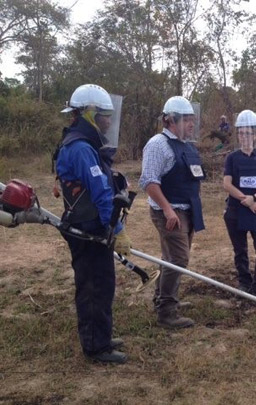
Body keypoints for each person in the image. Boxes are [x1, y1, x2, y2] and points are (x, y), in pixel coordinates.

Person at [55, 84, 132, 364]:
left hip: (95, 227)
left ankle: (102, 335)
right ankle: (95, 347)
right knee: (91, 287)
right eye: (105, 115)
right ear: (89, 115)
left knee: (104, 283)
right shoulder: (80, 148)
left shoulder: (86, 145)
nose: (109, 121)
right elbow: (100, 192)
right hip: (87, 229)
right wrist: (118, 231)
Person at [139, 96, 205, 328]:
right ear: (171, 120)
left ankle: (165, 300)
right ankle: (167, 312)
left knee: (171, 259)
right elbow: (149, 181)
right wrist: (168, 210)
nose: (190, 124)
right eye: (186, 120)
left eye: (192, 120)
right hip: (169, 212)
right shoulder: (158, 144)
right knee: (178, 259)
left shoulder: (186, 145)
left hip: (187, 211)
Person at [223, 110, 256, 300]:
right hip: (235, 211)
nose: (243, 137)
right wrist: (244, 200)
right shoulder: (232, 158)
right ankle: (244, 283)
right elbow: (227, 184)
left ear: (254, 134)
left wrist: (253, 198)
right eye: (240, 133)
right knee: (240, 251)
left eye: (247, 133)